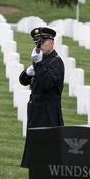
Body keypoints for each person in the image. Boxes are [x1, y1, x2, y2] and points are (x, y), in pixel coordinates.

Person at [19, 26, 64, 168]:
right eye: (38, 42)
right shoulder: (40, 59)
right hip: (36, 110)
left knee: (48, 151)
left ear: (52, 42)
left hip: (48, 111)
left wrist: (38, 64)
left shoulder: (56, 62)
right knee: (35, 149)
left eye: (44, 41)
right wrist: (27, 72)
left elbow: (47, 83)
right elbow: (23, 81)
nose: (40, 45)